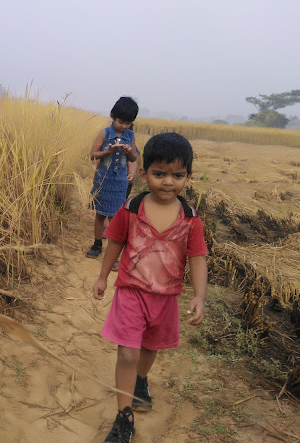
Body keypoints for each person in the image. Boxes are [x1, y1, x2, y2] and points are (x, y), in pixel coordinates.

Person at [92, 132, 209, 443]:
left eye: (177, 175)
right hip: (131, 292)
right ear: (144, 173)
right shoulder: (131, 209)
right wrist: (104, 276)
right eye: (159, 174)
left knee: (150, 347)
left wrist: (199, 296)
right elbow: (115, 242)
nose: (168, 182)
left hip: (166, 299)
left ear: (188, 176)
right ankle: (124, 416)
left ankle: (141, 380)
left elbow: (198, 257)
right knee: (128, 353)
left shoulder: (190, 219)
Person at [87, 97, 140, 258]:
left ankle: (113, 252)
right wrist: (107, 152)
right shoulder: (104, 133)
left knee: (116, 218)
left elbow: (134, 157)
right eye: (121, 121)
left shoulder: (130, 136)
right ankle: (97, 244)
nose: (124, 126)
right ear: (113, 116)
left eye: (128, 123)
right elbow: (92, 155)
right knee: (100, 214)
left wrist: (128, 152)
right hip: (104, 180)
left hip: (120, 183)